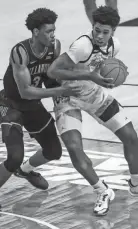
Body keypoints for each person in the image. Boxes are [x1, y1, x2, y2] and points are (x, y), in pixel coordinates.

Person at [47, 6, 138, 216]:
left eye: (105, 32)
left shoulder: (115, 46)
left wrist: (110, 78)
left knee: (131, 137)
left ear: (113, 31)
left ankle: (135, 184)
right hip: (68, 97)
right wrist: (90, 75)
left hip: (93, 95)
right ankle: (102, 191)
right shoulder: (82, 45)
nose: (99, 35)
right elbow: (53, 71)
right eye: (96, 30)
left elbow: (99, 70)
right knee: (73, 147)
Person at [0, 8, 81, 200]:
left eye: (54, 30)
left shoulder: (55, 47)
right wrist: (61, 91)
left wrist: (74, 89)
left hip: (33, 105)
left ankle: (25, 170)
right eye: (48, 31)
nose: (53, 35)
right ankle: (17, 166)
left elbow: (50, 79)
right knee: (14, 157)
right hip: (11, 105)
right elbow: (25, 91)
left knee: (53, 151)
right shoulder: (21, 52)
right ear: (36, 32)